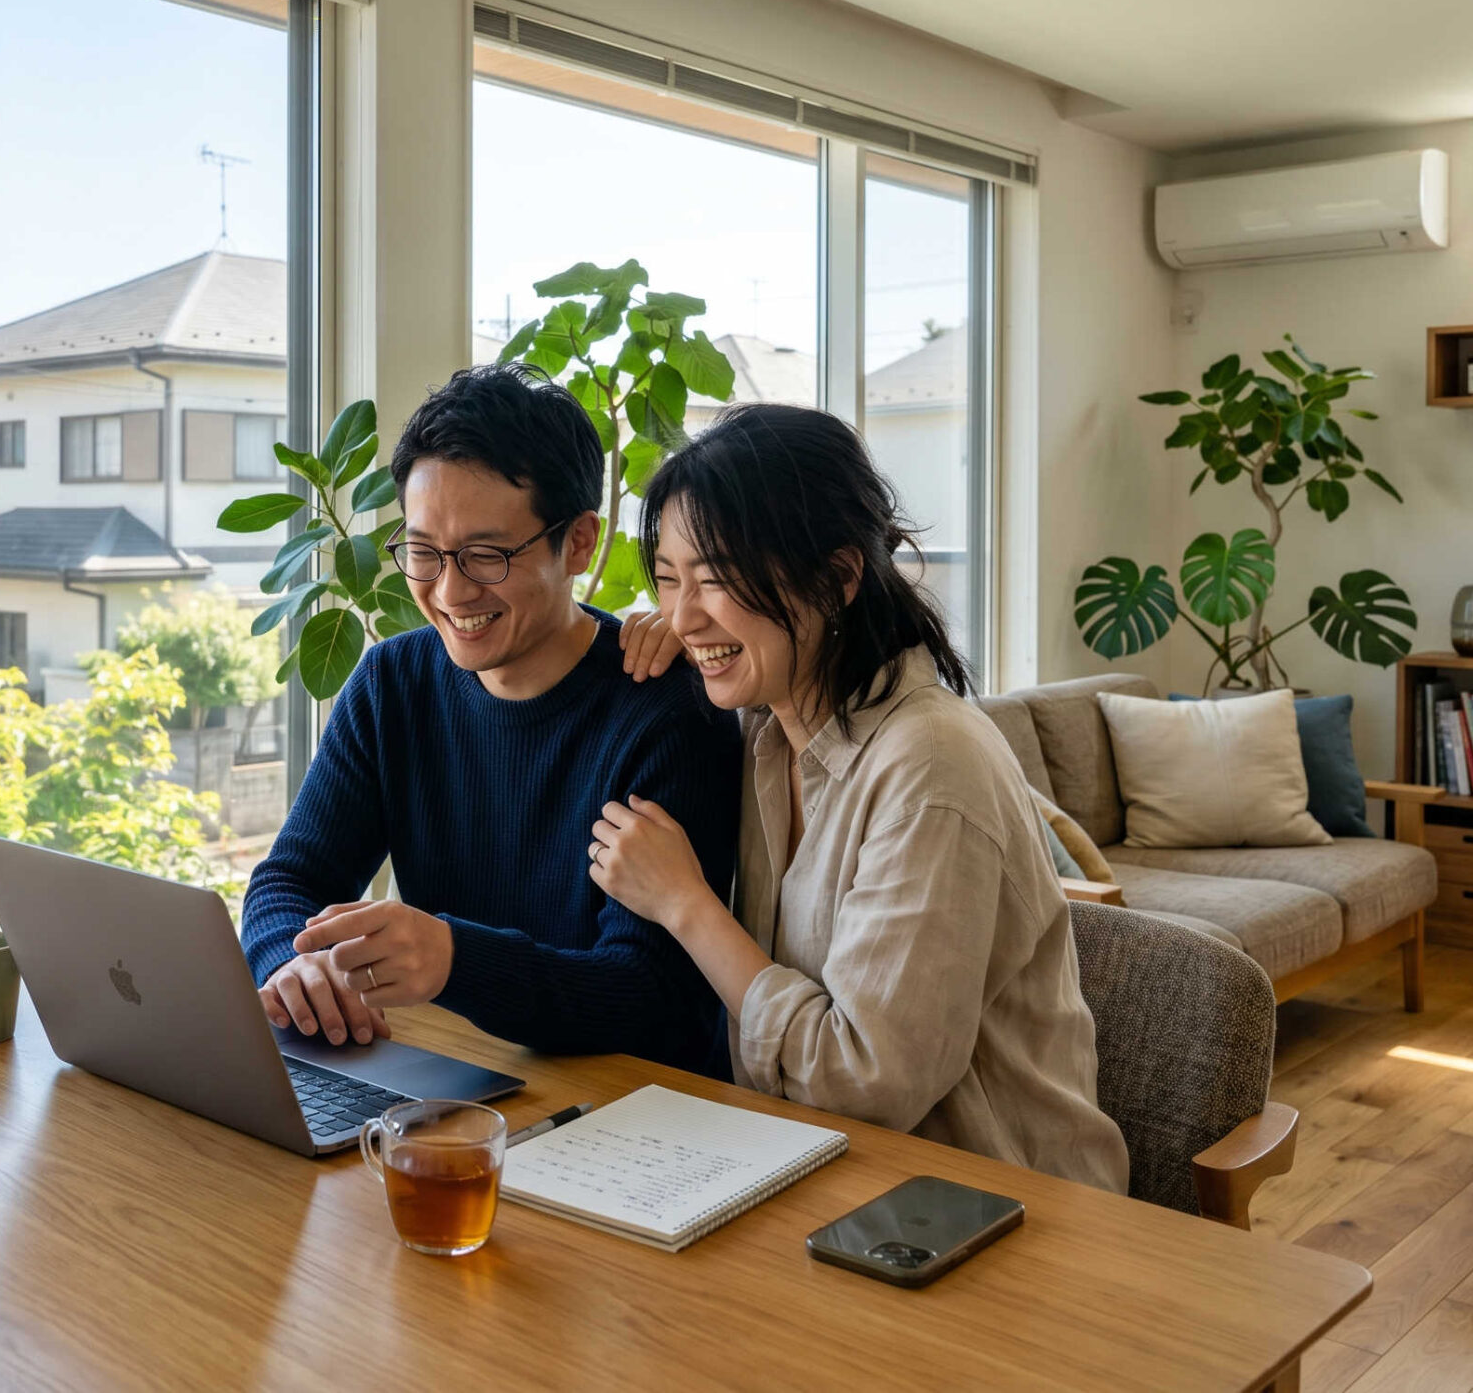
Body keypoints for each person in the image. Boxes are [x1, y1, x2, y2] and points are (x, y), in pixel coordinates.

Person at [591, 403, 1127, 1190]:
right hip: (817, 1177)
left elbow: (865, 1083)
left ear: (839, 577)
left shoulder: (932, 766)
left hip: (994, 1210)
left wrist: (687, 905)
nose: (682, 611)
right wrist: (691, 634)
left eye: (718, 576)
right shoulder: (767, 728)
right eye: (668, 579)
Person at [241, 365, 740, 1075]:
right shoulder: (393, 683)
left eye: (486, 554)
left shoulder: (664, 711)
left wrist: (454, 959)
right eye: (423, 551)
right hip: (449, 1082)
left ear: (578, 543)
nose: (449, 590)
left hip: (625, 1118)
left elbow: (651, 995)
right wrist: (294, 967)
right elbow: (287, 881)